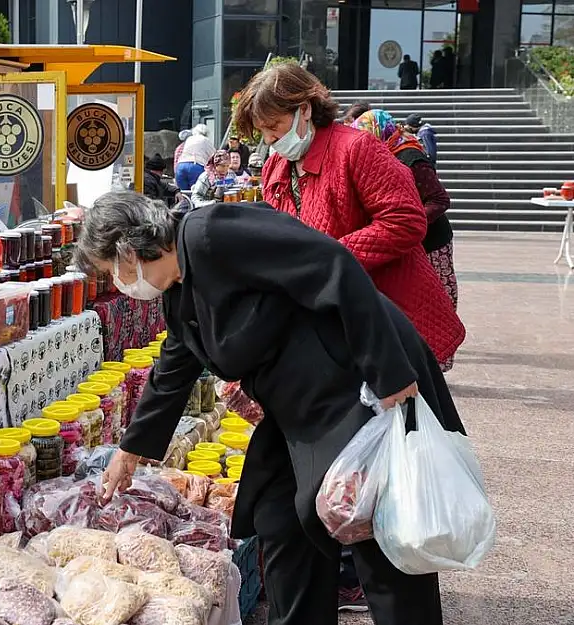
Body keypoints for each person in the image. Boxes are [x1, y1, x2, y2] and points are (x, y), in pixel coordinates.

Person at [83, 191, 461, 625]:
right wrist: (130, 451)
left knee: (371, 521)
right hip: (299, 402)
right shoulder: (178, 288)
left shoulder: (211, 232)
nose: (117, 284)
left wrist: (389, 375)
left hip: (356, 376)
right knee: (280, 517)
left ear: (130, 249)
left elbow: (335, 264)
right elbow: (175, 363)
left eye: (112, 270)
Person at [232, 61, 464, 375]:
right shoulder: (277, 167)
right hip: (329, 316)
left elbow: (405, 220)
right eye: (262, 130)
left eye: (275, 125)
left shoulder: (356, 148)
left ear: (305, 109)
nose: (270, 138)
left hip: (386, 312)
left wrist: (332, 256)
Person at [352, 110, 457, 363]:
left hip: (432, 241)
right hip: (408, 241)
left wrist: (409, 218)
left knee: (435, 299)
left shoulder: (410, 156)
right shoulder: (381, 156)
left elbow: (440, 199)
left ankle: (436, 361)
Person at [175, 124, 216, 191]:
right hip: (196, 165)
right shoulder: (205, 140)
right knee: (196, 192)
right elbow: (214, 155)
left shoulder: (189, 139)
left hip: (180, 166)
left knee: (183, 193)